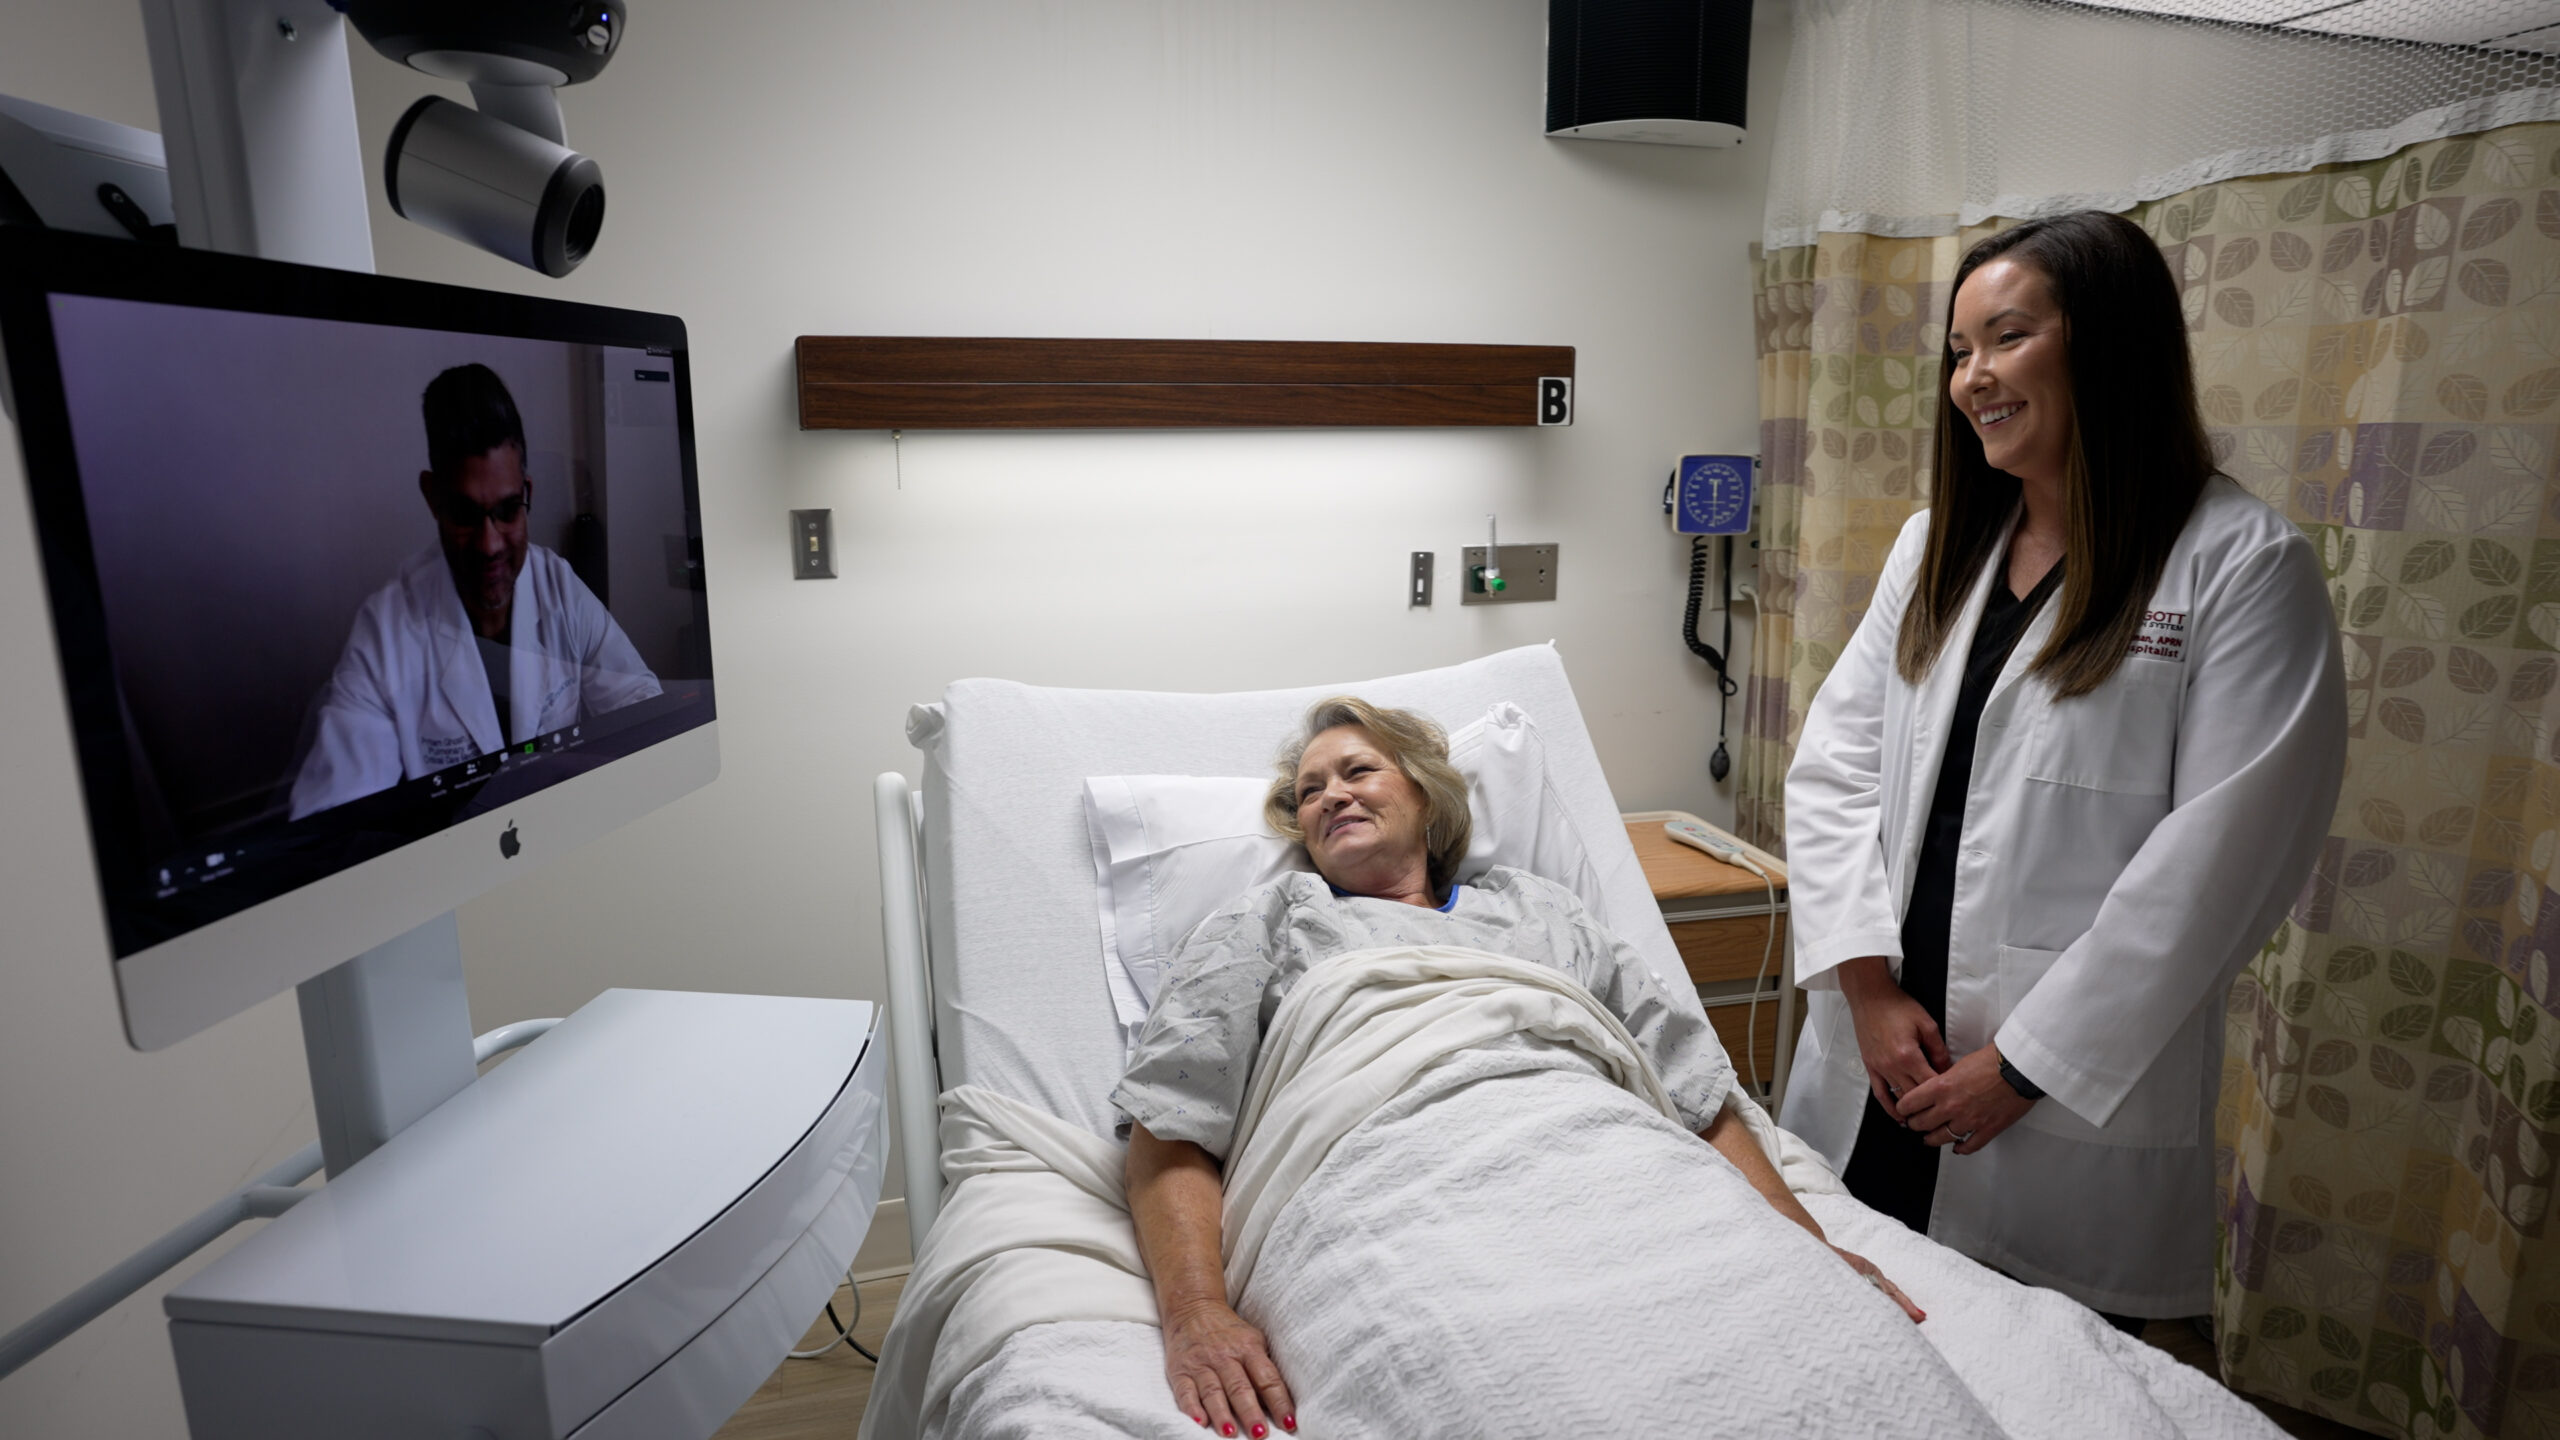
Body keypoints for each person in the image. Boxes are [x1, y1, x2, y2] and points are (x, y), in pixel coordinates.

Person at [1781, 210, 2347, 1330]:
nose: (1971, 378)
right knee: (1856, 1340)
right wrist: (1864, 987)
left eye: (2005, 338)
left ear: (2105, 344)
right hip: (1883, 1056)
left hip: (2051, 1099)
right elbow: (1834, 768)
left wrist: (2025, 1067)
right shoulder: (1933, 546)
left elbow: (2216, 868)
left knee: (2051, 1376)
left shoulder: (2240, 567)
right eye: (1958, 352)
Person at [1114, 697, 1921, 1439]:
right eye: (1309, 791)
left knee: (1817, 1349)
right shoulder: (1270, 921)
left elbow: (1696, 1093)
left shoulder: (1540, 910)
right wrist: (1197, 1313)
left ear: (1427, 798)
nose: (1330, 796)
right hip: (1388, 1178)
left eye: (1358, 770)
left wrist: (1802, 1240)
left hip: (1602, 1151)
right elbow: (1172, 1123)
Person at [289, 364, 659, 818]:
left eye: (507, 511)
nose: (490, 545)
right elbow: (335, 822)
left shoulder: (559, 587)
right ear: (432, 497)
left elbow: (643, 713)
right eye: (465, 515)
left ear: (527, 493)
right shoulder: (386, 630)